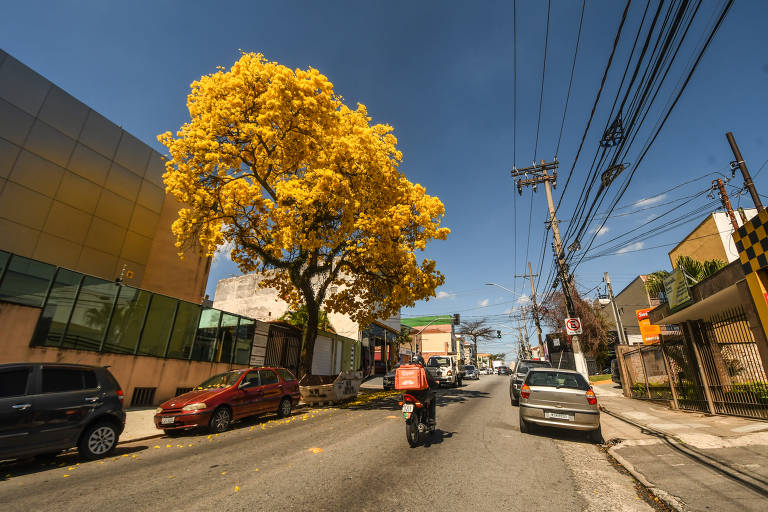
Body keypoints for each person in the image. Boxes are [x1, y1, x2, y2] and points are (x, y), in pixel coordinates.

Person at [410, 353, 437, 428]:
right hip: (421, 394)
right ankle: (431, 420)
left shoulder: (407, 369)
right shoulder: (423, 370)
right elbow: (430, 381)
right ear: (421, 362)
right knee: (432, 398)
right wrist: (435, 385)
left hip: (408, 393)